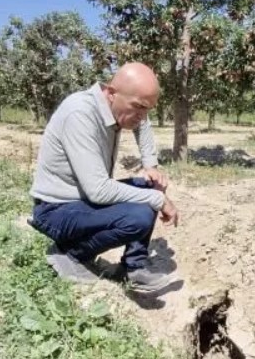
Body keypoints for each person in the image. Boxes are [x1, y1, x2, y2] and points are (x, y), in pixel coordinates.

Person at [27, 62, 181, 296]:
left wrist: (150, 164)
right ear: (111, 93)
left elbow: (144, 124)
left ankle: (133, 268)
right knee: (139, 215)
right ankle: (72, 254)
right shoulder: (80, 114)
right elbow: (98, 191)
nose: (142, 117)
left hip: (83, 200)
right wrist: (158, 200)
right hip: (57, 209)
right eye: (138, 107)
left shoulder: (119, 107)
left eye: (147, 109)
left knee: (145, 188)